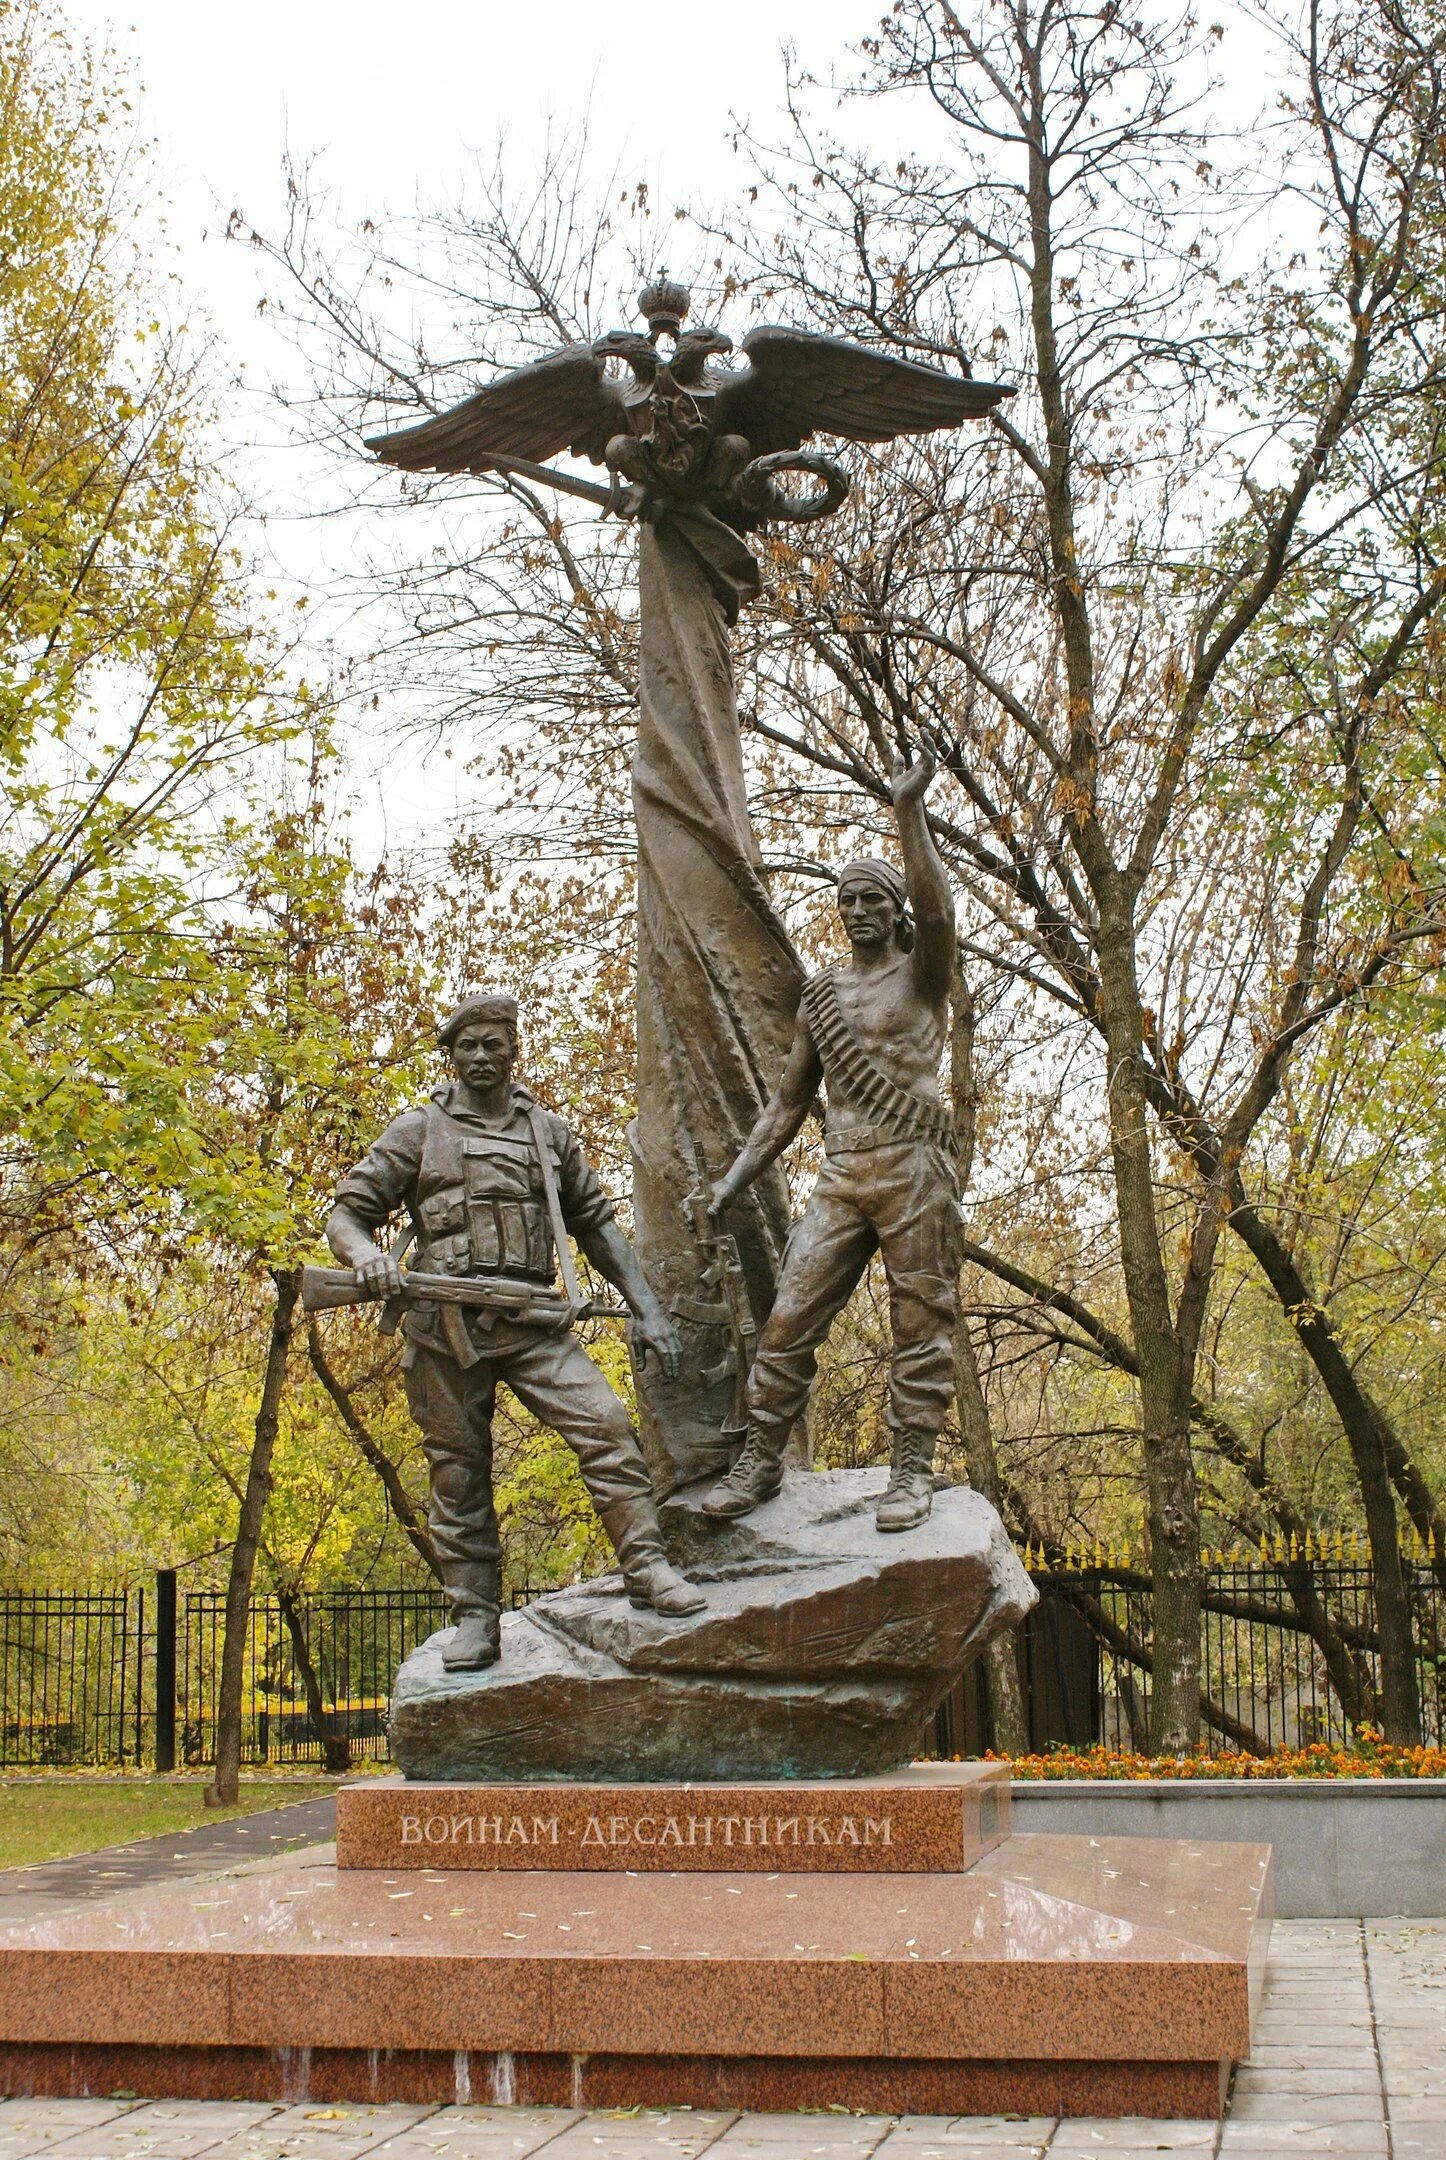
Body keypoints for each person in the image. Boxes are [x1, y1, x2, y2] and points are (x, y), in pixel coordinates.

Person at [326, 991, 705, 1670]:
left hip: (532, 1320)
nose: (479, 1056)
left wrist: (645, 1306)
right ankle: (474, 1617)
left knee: (608, 1428)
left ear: (513, 1049)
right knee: (458, 1475)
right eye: (466, 1045)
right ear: (450, 1054)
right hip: (442, 1329)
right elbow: (346, 1216)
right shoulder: (416, 1130)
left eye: (492, 1043)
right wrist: (369, 1259)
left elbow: (597, 1224)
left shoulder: (548, 1133)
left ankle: (647, 1570)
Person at [701, 746, 959, 1532]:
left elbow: (941, 910)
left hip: (915, 1167)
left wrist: (908, 812)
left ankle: (911, 1471)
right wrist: (732, 1182)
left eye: (870, 898)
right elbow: (784, 1107)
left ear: (893, 907)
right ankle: (761, 1462)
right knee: (787, 1319)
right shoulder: (822, 997)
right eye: (845, 901)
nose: (855, 911)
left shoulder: (923, 974)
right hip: (844, 1174)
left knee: (920, 1323)